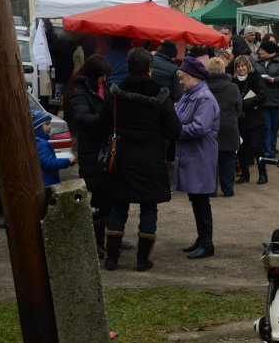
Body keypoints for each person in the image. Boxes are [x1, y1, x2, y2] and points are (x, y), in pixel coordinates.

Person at [99, 48, 182, 272]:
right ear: (149, 68)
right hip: (151, 157)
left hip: (123, 157)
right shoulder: (160, 94)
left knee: (118, 206)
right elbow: (174, 129)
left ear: (128, 66)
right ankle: (142, 260)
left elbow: (103, 123)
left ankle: (111, 259)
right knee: (148, 207)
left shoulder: (116, 93)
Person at [63, 54, 113, 258]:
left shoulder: (101, 88)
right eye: (101, 76)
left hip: (104, 149)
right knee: (99, 197)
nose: (104, 79)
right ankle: (95, 242)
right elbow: (82, 118)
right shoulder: (80, 91)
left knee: (106, 196)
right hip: (92, 151)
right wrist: (104, 119)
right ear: (94, 74)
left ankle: (105, 237)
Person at [173, 57, 220, 260]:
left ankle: (207, 243)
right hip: (194, 154)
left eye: (183, 78)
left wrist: (175, 130)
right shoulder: (191, 94)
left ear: (194, 78)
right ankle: (202, 239)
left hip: (200, 154)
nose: (181, 82)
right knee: (196, 198)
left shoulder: (204, 98)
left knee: (200, 199)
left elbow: (200, 127)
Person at [206, 57, 242, 197]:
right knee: (228, 159)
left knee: (211, 161)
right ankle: (228, 189)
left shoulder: (204, 87)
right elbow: (239, 108)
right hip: (229, 126)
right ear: (223, 69)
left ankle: (211, 190)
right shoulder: (233, 87)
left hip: (210, 127)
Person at [232, 55, 267, 184]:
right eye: (238, 66)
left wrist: (245, 103)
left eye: (243, 66)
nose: (241, 68)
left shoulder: (255, 78)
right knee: (242, 148)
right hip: (240, 120)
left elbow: (262, 96)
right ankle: (244, 174)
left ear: (248, 66)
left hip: (255, 119)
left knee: (256, 147)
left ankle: (262, 173)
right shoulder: (233, 81)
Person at [253, 40, 279, 159]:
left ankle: (272, 147)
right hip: (263, 99)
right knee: (266, 126)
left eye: (263, 49)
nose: (260, 51)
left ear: (269, 51)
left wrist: (275, 80)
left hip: (277, 98)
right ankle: (268, 151)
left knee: (274, 126)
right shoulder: (256, 62)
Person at [32, 109, 76, 186]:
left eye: (50, 124)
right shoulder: (41, 143)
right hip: (47, 182)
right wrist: (67, 161)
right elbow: (49, 163)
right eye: (47, 124)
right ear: (37, 127)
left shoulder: (40, 140)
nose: (50, 127)